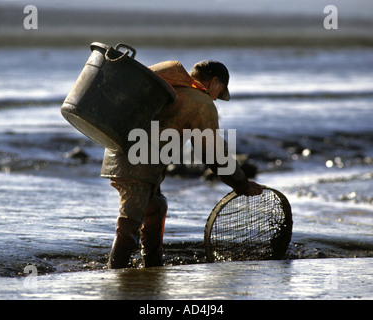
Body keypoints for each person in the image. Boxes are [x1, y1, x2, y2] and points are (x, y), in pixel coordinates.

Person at [101, 60, 263, 269]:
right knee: (130, 221)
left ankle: (152, 266)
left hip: (116, 155)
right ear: (214, 82)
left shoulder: (166, 85)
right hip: (139, 166)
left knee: (156, 207)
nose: (215, 97)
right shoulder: (200, 102)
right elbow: (212, 153)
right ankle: (114, 272)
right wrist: (241, 184)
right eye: (219, 90)